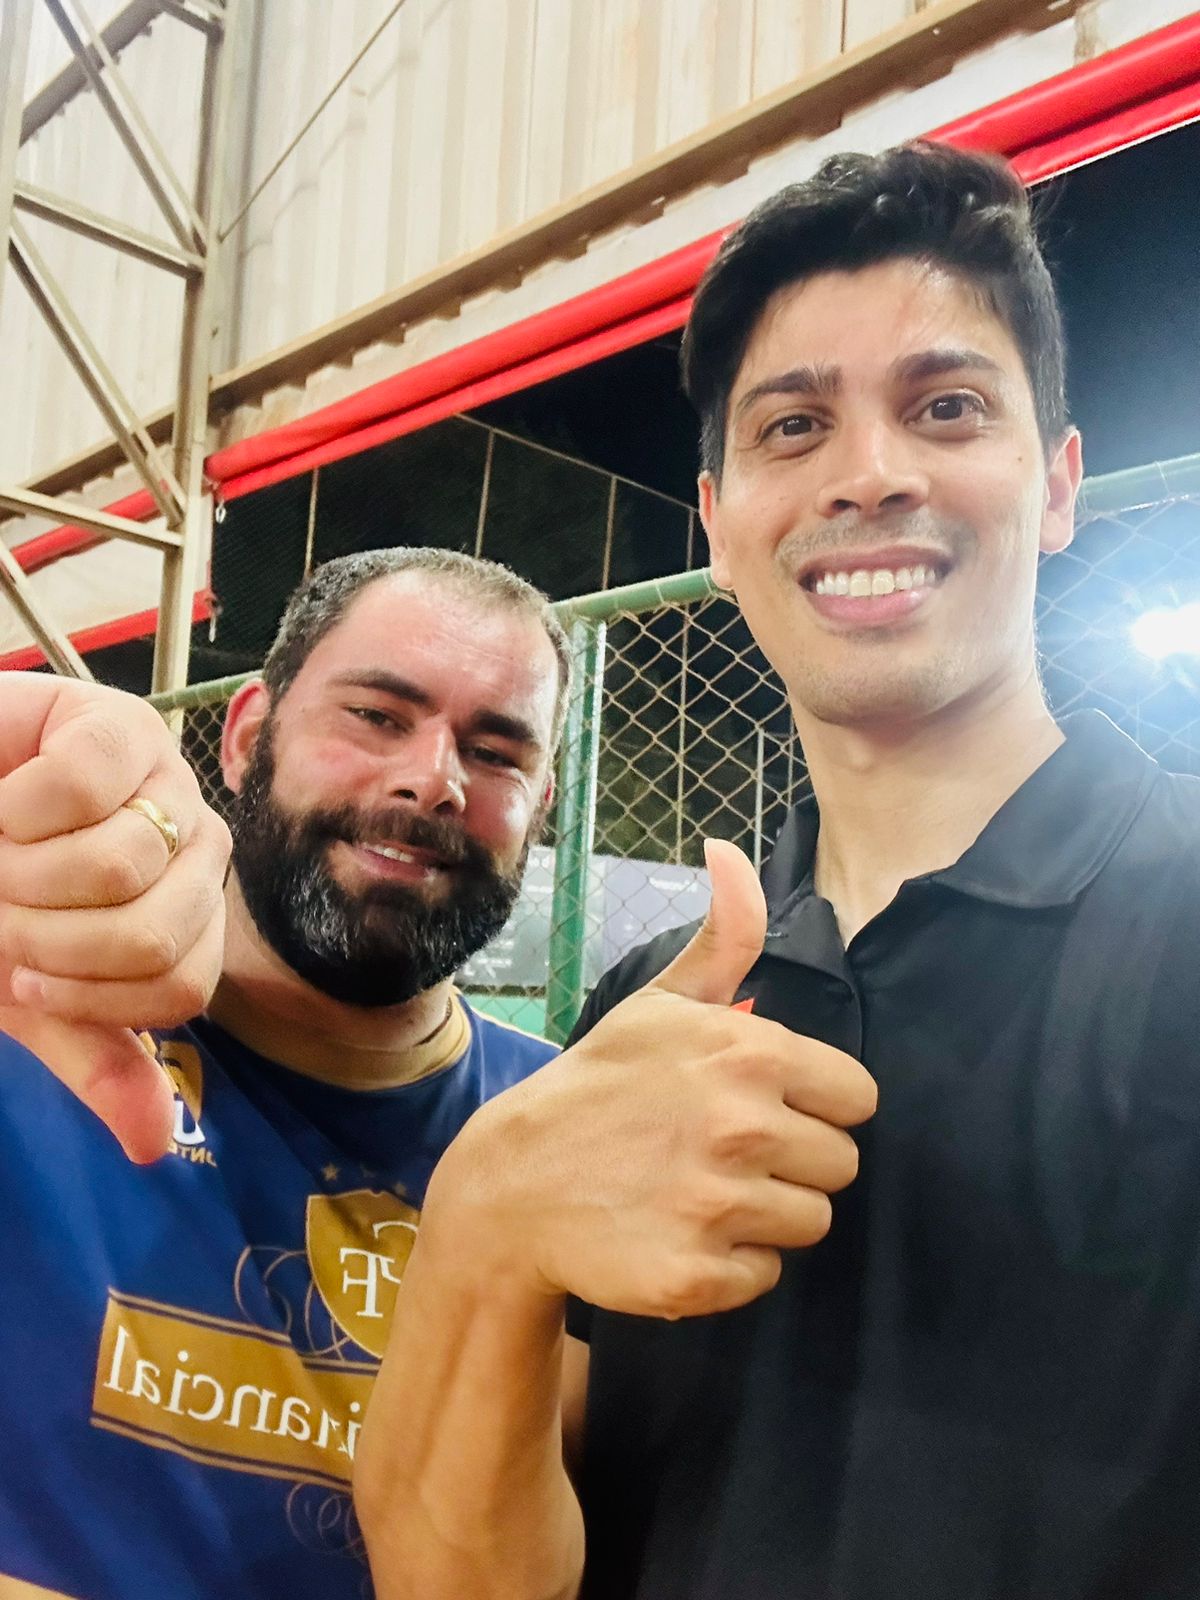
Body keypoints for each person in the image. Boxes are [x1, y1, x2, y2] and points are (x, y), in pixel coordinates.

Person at [355, 143, 1200, 1600]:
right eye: (794, 427)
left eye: (946, 407)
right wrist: (484, 1220)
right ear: (720, 526)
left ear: (1057, 484)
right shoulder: (650, 1013)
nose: (869, 475)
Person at [0, 547, 570, 1599]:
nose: (434, 780)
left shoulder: (566, 1143)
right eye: (377, 716)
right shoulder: (31, 1007)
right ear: (246, 734)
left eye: (496, 752)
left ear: (540, 809)